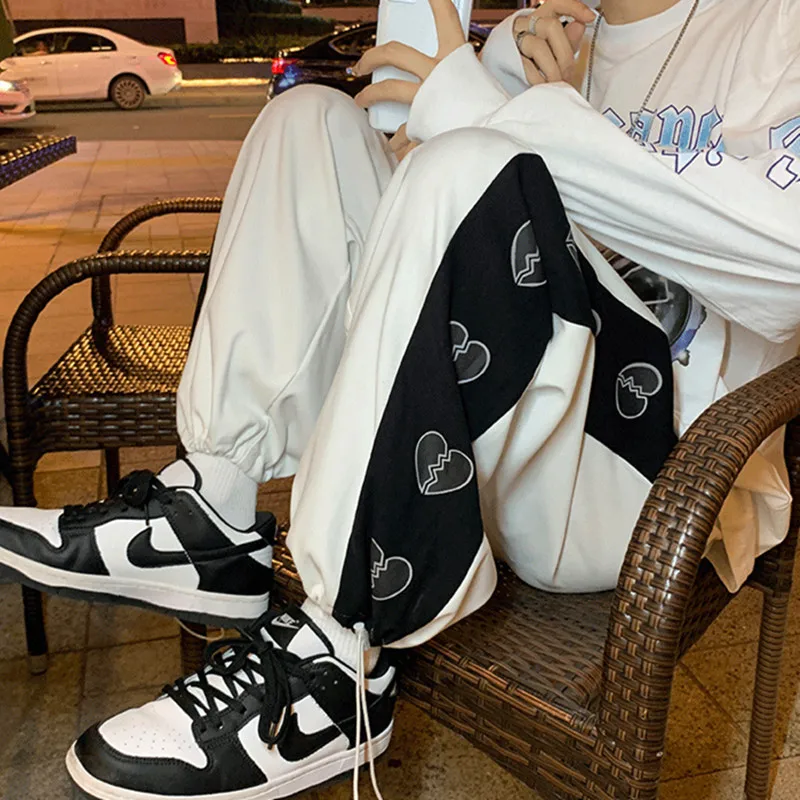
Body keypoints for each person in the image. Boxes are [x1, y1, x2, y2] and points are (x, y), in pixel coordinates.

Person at [1, 0, 799, 797]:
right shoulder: (547, 35)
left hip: (651, 485)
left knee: (473, 160)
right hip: (484, 445)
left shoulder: (776, 29)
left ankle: (339, 658)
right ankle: (212, 507)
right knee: (310, 121)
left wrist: (503, 120)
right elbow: (426, 215)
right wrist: (491, 87)